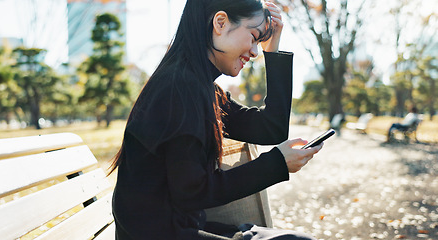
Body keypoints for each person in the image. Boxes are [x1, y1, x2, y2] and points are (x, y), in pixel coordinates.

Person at [109, 0, 323, 239]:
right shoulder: (180, 87)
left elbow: (270, 129)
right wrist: (276, 164)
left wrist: (273, 51)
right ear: (220, 23)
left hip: (180, 228)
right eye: (253, 37)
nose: (255, 52)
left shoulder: (198, 85)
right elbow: (193, 192)